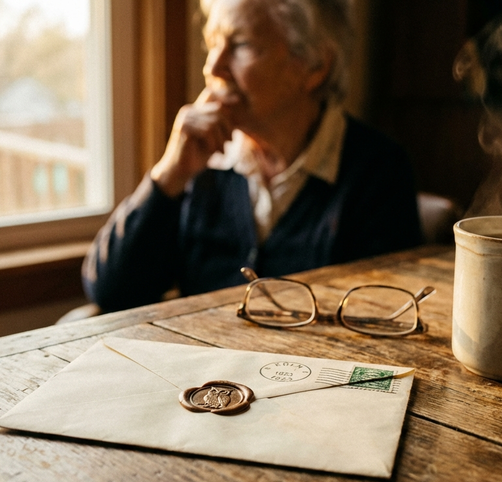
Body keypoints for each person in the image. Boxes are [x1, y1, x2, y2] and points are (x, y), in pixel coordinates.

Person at [82, 0, 423, 313]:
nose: (213, 66)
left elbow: (382, 316)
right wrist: (169, 174)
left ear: (314, 66)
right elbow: (111, 292)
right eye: (213, 43)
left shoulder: (378, 170)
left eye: (241, 45)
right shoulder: (202, 162)